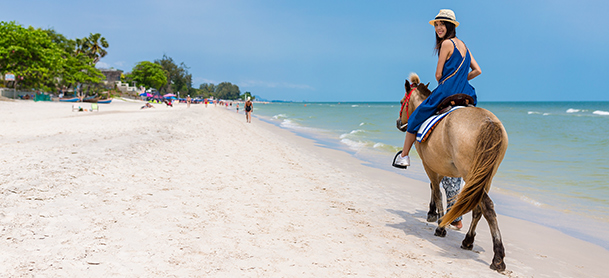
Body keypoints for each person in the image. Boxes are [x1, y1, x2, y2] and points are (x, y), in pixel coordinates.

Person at [394, 9, 481, 168]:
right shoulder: (464, 46)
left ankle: (404, 156)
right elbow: (477, 70)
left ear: (450, 26)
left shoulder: (446, 44)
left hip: (447, 90)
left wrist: (450, 81)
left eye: (442, 25)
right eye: (436, 25)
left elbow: (438, 74)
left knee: (415, 117)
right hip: (466, 91)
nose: (438, 28)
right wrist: (461, 79)